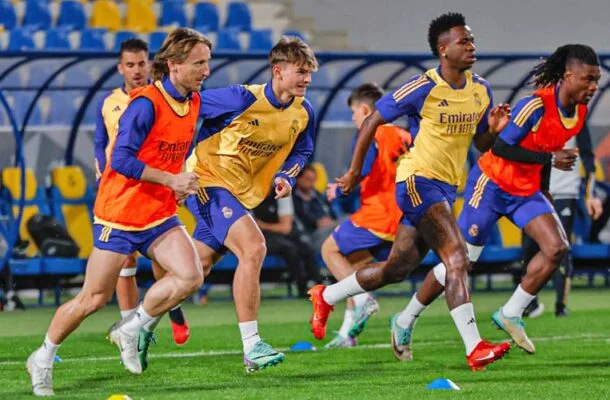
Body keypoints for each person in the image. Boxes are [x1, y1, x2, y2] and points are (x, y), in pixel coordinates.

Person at [307, 12, 513, 371]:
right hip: (418, 181)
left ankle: (327, 295)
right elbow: (373, 119)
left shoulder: (481, 89)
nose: (472, 46)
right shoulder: (423, 86)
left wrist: (493, 130)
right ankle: (474, 346)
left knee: (394, 270)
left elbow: (480, 142)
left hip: (447, 188)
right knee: (456, 257)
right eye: (464, 41)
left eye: (472, 39)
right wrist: (354, 173)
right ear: (443, 49)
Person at [26, 28, 212, 396]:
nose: (207, 69)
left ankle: (133, 325)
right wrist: (171, 180)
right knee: (93, 299)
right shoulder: (144, 104)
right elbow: (121, 160)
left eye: (208, 61)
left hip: (157, 213)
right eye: (199, 62)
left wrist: (175, 183)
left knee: (190, 276)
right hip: (120, 214)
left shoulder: (193, 101)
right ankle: (43, 357)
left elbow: (173, 150)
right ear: (174, 65)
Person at [395, 44, 601, 360]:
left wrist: (543, 187)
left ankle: (511, 312)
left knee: (557, 248)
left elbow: (545, 147)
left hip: (526, 191)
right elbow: (501, 147)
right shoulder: (534, 105)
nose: (593, 87)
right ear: (567, 75)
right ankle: (406, 318)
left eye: (596, 80)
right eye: (587, 79)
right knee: (460, 262)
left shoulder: (579, 112)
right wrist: (549, 159)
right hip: (491, 186)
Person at [184, 36, 318, 372]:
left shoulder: (304, 112)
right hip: (207, 180)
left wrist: (287, 174)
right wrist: (172, 166)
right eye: (301, 72)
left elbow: (302, 150)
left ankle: (139, 323)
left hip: (243, 195)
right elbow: (188, 109)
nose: (307, 79)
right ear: (278, 71)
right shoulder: (239, 98)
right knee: (254, 247)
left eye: (309, 73)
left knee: (194, 272)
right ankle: (252, 347)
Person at [94, 38, 190, 346]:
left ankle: (170, 309)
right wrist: (101, 169)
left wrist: (175, 179)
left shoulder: (160, 98)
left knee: (167, 260)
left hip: (157, 186)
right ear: (120, 68)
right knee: (126, 261)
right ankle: (129, 327)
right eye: (131, 65)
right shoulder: (109, 103)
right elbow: (101, 142)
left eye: (142, 63)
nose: (137, 70)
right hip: (123, 190)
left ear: (151, 63)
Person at [321, 83, 411, 349]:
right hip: (402, 216)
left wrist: (339, 190)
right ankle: (348, 334)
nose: (353, 119)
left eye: (353, 113)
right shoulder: (403, 135)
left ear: (364, 109)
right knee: (354, 269)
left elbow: (363, 169)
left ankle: (364, 301)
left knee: (329, 251)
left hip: (378, 213)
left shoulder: (371, 132)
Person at [522, 123, 603, 318]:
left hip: (565, 192)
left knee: (560, 249)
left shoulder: (576, 117)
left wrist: (590, 195)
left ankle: (561, 305)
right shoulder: (534, 114)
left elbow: (588, 156)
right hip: (534, 193)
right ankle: (529, 303)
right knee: (529, 248)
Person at [253, 190, 322, 297]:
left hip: (279, 232)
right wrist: (263, 227)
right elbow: (253, 226)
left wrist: (263, 225)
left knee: (306, 247)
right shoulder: (250, 195)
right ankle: (302, 287)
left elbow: (286, 228)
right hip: (259, 236)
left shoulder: (281, 192)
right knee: (289, 248)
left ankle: (318, 285)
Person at [292, 165, 337, 250]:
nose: (311, 183)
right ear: (298, 179)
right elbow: (297, 221)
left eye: (313, 180)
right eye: (308, 179)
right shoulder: (292, 199)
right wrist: (316, 223)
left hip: (329, 229)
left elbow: (332, 213)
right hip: (311, 235)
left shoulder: (318, 196)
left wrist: (330, 220)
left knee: (348, 220)